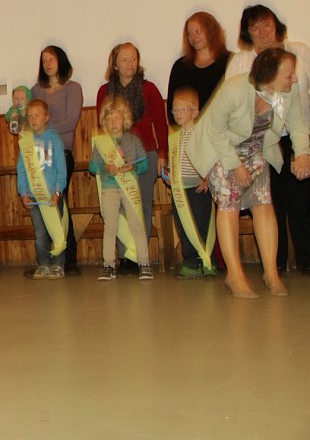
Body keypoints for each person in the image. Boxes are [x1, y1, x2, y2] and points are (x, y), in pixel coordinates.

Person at [188, 48, 310, 298]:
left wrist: (303, 154)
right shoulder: (234, 89)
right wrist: (235, 165)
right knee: (229, 205)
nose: (295, 79)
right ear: (270, 76)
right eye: (289, 75)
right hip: (221, 149)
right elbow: (215, 131)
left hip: (255, 149)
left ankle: (271, 275)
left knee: (263, 205)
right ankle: (235, 276)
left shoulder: (290, 90)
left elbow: (298, 125)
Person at [225, 5, 310, 274]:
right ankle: (275, 264)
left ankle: (307, 260)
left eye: (265, 24)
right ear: (247, 33)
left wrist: (304, 150)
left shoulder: (299, 52)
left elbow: (299, 110)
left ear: (276, 24)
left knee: (302, 203)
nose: (261, 31)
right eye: (254, 27)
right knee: (270, 202)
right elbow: (228, 112)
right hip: (259, 142)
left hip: (297, 135)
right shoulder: (240, 62)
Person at [96, 42, 167, 271]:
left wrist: (163, 154)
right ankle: (124, 256)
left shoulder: (150, 89)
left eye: (134, 59)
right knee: (118, 208)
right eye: (125, 59)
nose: (130, 63)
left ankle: (138, 256)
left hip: (144, 155)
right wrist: (105, 158)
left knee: (141, 205)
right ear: (115, 64)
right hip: (115, 157)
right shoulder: (104, 92)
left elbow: (161, 124)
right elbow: (101, 128)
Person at [31, 45, 84, 275]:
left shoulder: (73, 88)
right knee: (43, 207)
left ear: (61, 61)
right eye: (44, 60)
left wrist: (43, 129)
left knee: (59, 203)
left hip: (62, 153)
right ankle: (48, 260)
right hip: (37, 156)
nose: (48, 64)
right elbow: (27, 120)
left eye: (51, 59)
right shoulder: (36, 90)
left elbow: (70, 122)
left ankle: (67, 258)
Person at [89, 97, 153, 281]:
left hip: (129, 187)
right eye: (109, 119)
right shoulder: (101, 144)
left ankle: (144, 263)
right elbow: (92, 167)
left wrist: (134, 167)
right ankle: (108, 265)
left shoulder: (133, 140)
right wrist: (105, 168)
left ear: (124, 119)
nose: (113, 123)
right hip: (109, 188)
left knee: (137, 225)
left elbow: (145, 164)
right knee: (110, 227)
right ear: (104, 122)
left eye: (116, 118)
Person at [166, 88, 217, 279]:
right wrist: (170, 175)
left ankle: (207, 260)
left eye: (182, 109)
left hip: (199, 188)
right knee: (184, 226)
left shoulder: (202, 132)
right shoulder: (174, 137)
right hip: (180, 189)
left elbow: (212, 157)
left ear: (195, 112)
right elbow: (174, 161)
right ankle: (191, 262)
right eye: (175, 110)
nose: (178, 113)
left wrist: (208, 178)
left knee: (202, 224)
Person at [17, 100, 68, 280]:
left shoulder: (55, 140)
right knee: (40, 233)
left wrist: (58, 191)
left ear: (47, 117)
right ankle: (43, 264)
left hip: (52, 195)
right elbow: (21, 170)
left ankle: (58, 265)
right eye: (30, 116)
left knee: (56, 230)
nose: (33, 119)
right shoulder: (25, 142)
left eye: (37, 115)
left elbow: (62, 169)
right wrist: (23, 193)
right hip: (34, 197)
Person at [166, 11, 231, 124]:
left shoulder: (230, 62)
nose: (193, 36)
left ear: (211, 31)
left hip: (222, 130)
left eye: (198, 31)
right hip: (189, 131)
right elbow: (172, 108)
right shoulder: (180, 67)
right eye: (189, 33)